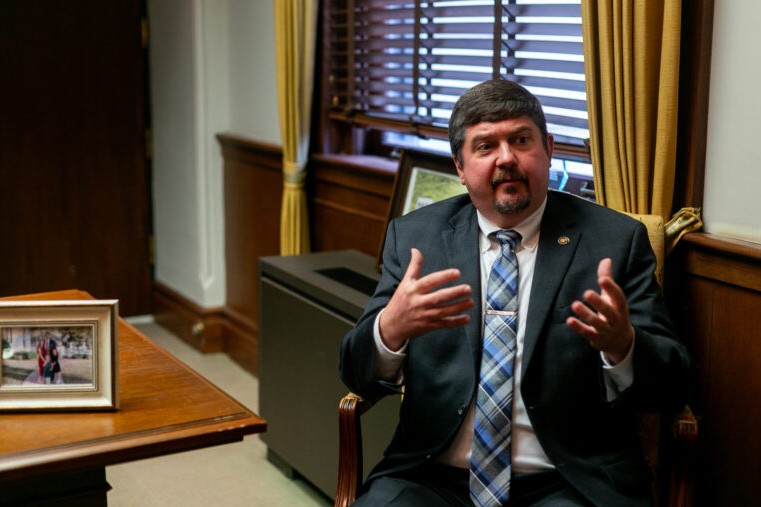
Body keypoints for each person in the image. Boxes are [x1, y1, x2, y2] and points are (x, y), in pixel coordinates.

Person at [339, 79, 694, 507]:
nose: (506, 158)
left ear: (548, 148)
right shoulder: (416, 238)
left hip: (567, 480)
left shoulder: (614, 241)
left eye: (521, 140)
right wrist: (389, 331)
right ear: (460, 166)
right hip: (431, 476)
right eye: (485, 146)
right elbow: (356, 374)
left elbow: (673, 384)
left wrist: (624, 346)